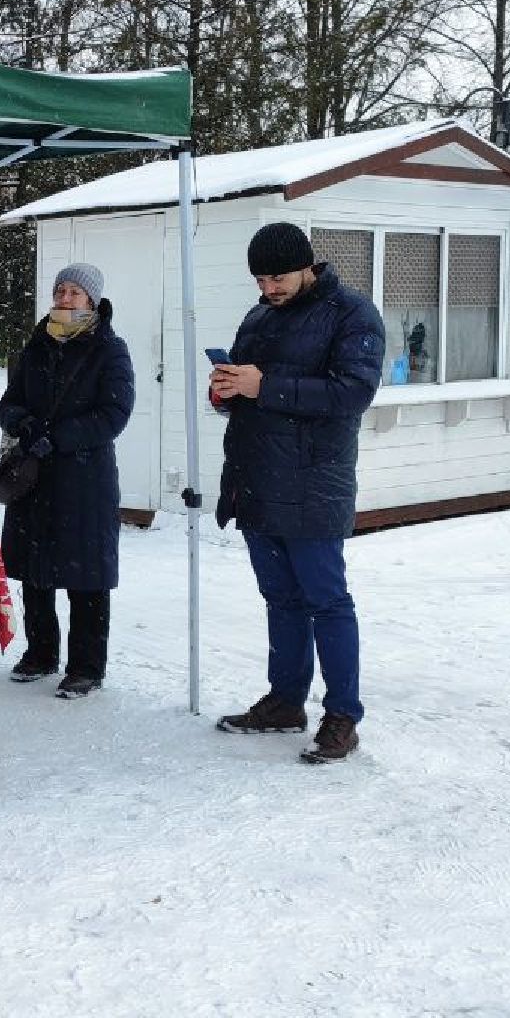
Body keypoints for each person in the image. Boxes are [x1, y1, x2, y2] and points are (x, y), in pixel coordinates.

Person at [211, 223, 385, 764]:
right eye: (261, 278)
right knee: (280, 601)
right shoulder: (257, 316)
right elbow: (247, 391)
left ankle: (343, 715)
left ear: (308, 264)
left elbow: (352, 392)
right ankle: (286, 700)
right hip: (257, 480)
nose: (269, 288)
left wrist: (265, 386)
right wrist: (227, 392)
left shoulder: (353, 315)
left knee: (327, 602)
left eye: (278, 276)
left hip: (314, 483)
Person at [0, 264, 135, 699]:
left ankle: (87, 666)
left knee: (85, 575)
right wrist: (27, 427)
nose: (66, 298)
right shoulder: (37, 343)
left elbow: (114, 414)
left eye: (75, 292)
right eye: (60, 290)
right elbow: (9, 403)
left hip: (84, 481)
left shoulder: (110, 349)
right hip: (34, 478)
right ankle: (41, 652)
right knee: (35, 570)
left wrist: (57, 438)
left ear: (92, 300)